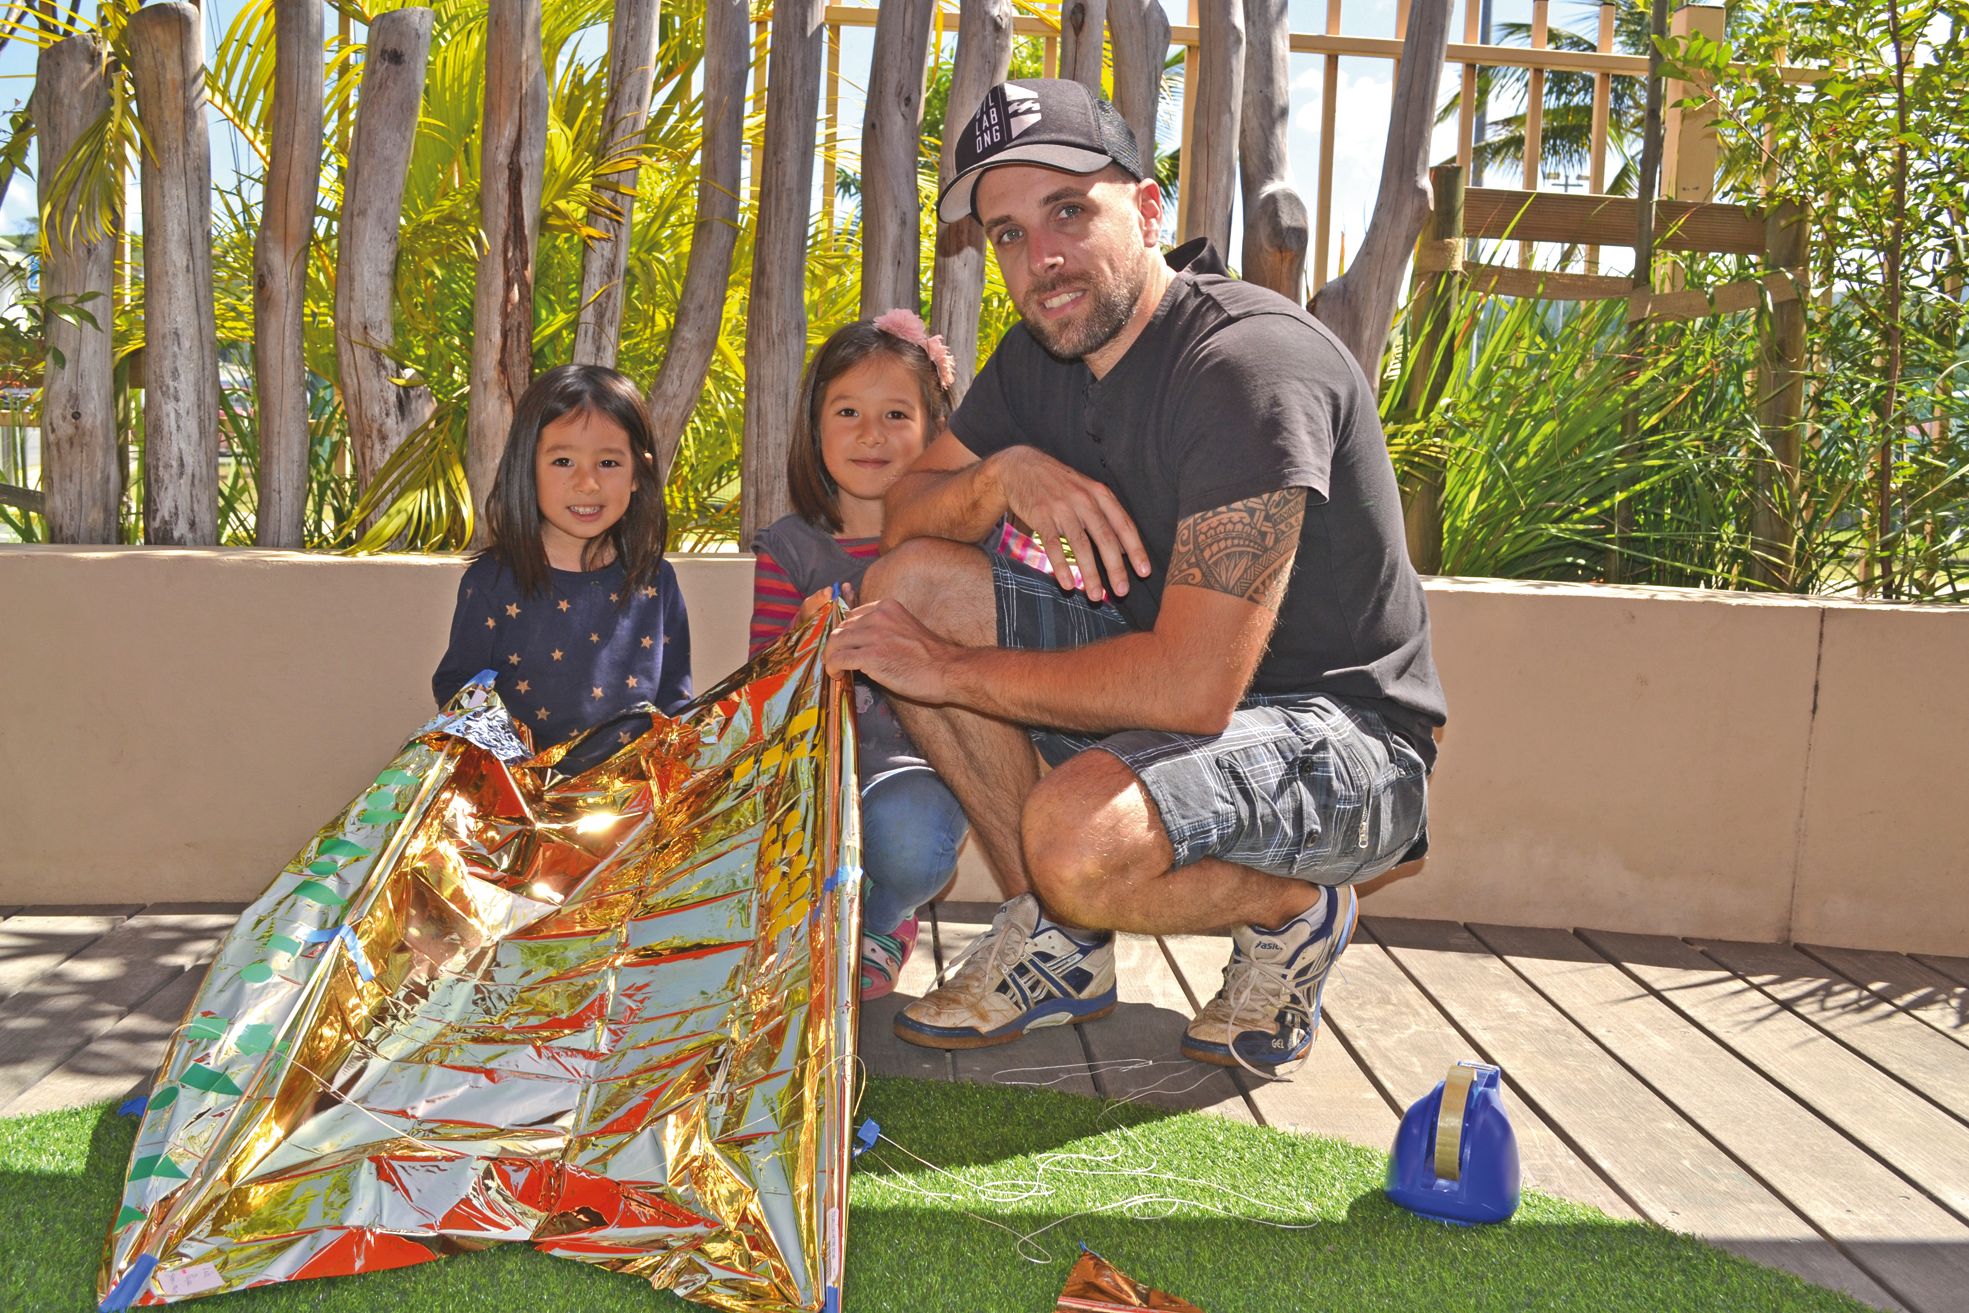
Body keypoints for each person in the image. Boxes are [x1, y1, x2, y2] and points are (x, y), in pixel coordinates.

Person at [825, 79, 1445, 1076]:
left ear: (1148, 209)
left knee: (1073, 837)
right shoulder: (1045, 361)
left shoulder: (1247, 367)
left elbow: (1183, 689)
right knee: (908, 584)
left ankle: (1293, 908)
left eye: (1068, 211)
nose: (1041, 259)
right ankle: (1061, 939)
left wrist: (946, 672)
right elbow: (905, 514)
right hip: (1186, 705)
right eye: (1010, 235)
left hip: (1350, 740)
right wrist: (999, 476)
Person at [749, 310, 1039, 1000]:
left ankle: (883, 919)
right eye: (846, 410)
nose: (870, 433)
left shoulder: (966, 551)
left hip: (919, 769)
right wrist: (809, 639)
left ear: (937, 435)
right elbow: (765, 682)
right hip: (814, 766)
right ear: (813, 427)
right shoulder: (788, 548)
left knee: (912, 840)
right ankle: (815, 918)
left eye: (896, 414)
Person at [433, 364, 693, 747]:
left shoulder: (656, 580)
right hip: (520, 799)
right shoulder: (490, 582)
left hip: (633, 801)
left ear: (639, 472)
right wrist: (513, 775)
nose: (587, 483)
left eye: (608, 463)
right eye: (562, 461)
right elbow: (460, 694)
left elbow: (675, 703)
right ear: (527, 468)